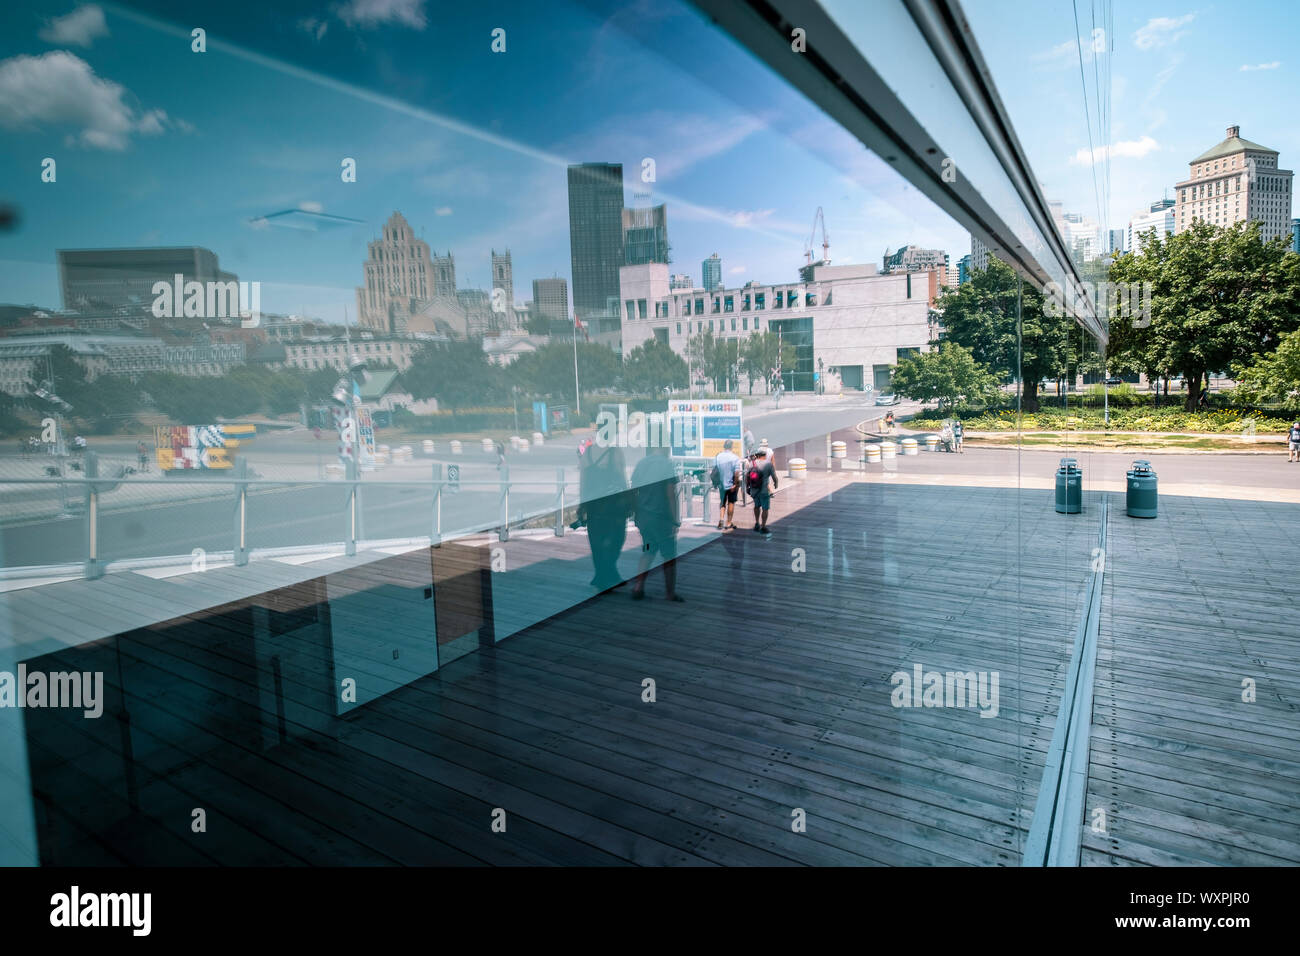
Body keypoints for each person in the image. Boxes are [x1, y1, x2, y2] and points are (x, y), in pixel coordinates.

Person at [630, 444, 683, 602]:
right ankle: (670, 593)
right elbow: (670, 494)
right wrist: (675, 520)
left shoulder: (641, 464)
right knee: (668, 555)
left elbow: (633, 491)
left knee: (648, 551)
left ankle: (638, 586)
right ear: (665, 448)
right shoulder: (666, 464)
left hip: (645, 518)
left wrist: (636, 514)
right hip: (663, 519)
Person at [577, 442, 631, 590]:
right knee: (617, 538)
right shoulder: (615, 452)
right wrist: (628, 499)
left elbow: (583, 480)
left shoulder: (587, 453)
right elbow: (622, 478)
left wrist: (582, 504)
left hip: (594, 504)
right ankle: (607, 574)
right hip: (613, 504)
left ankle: (602, 574)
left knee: (596, 541)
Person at [713, 438, 742, 531]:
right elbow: (737, 473)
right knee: (731, 502)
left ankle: (721, 520)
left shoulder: (718, 456)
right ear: (731, 447)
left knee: (722, 502)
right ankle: (728, 523)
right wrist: (735, 484)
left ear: (724, 446)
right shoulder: (735, 457)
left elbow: (714, 471)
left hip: (721, 485)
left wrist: (715, 483)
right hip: (731, 485)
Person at [748, 448, 779, 534]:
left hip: (754, 489)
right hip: (764, 490)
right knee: (765, 508)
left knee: (756, 506)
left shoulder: (751, 463)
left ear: (757, 455)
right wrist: (776, 484)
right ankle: (763, 526)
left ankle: (757, 523)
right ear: (764, 456)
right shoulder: (768, 464)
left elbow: (747, 476)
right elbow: (774, 476)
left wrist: (748, 487)